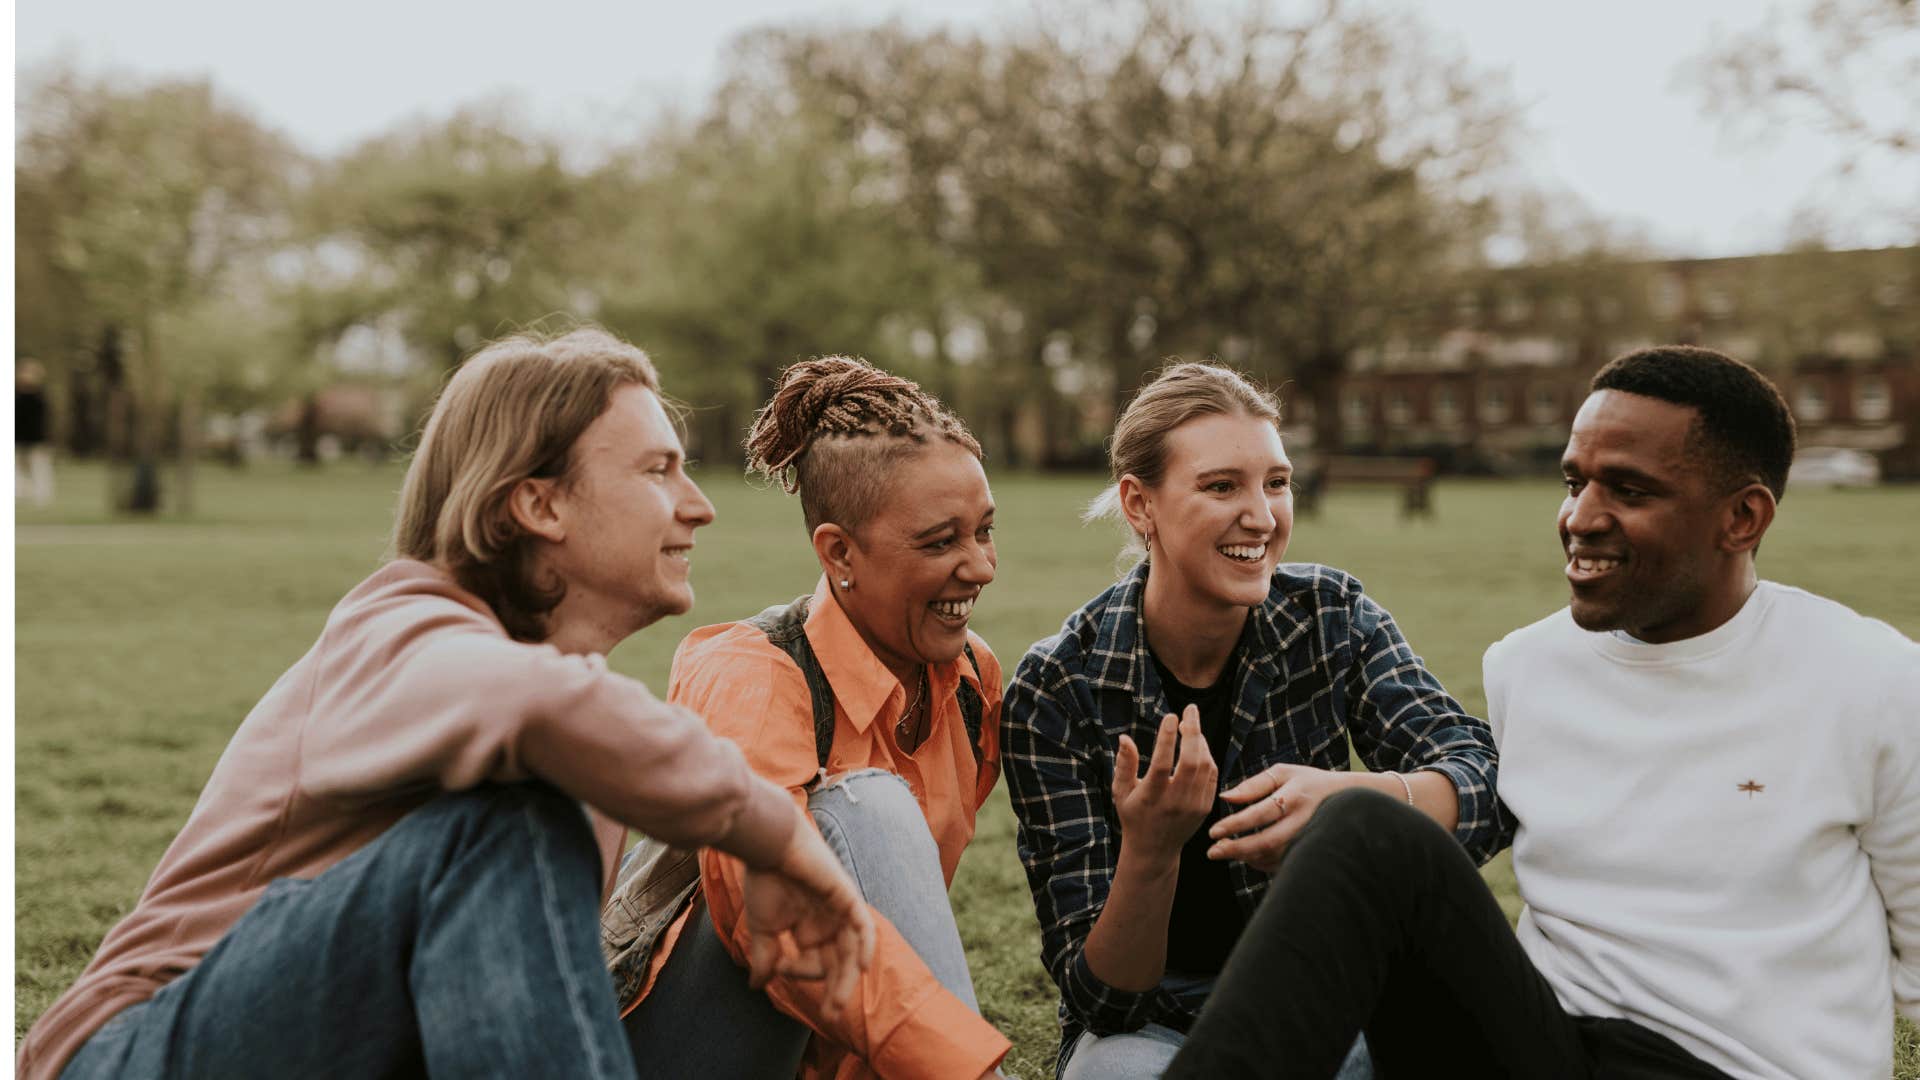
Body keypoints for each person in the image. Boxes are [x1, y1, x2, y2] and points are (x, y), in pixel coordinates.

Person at [18, 328, 876, 1080]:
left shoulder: (547, 708)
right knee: (511, 825)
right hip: (126, 1053)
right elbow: (542, 708)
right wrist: (770, 835)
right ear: (538, 502)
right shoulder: (398, 624)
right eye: (659, 470)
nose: (701, 505)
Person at [1163, 345, 1920, 1080]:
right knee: (1365, 828)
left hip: (1736, 1065)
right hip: (1548, 1048)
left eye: (1628, 490)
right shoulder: (1527, 666)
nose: (1580, 518)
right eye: (1573, 482)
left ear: (1743, 518)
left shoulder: (1873, 680)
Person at [1001, 362, 1505, 1080]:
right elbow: (1103, 1001)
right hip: (1156, 1024)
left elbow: (1480, 776)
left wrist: (1354, 806)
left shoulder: (1331, 617)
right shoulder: (1057, 688)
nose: (1263, 517)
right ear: (1140, 506)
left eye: (1276, 482)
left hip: (1333, 997)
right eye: (1220, 486)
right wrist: (1150, 852)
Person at [619, 356, 1013, 1080]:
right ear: (839, 553)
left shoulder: (969, 679)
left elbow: (893, 922)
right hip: (658, 1048)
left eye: (983, 531)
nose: (981, 566)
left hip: (809, 1040)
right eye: (940, 541)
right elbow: (770, 914)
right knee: (868, 807)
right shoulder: (750, 670)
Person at [17, 358, 54, 506]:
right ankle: (18, 492)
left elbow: (43, 421)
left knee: (40, 467)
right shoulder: (16, 396)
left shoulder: (40, 397)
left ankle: (42, 495)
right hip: (17, 438)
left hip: (37, 439)